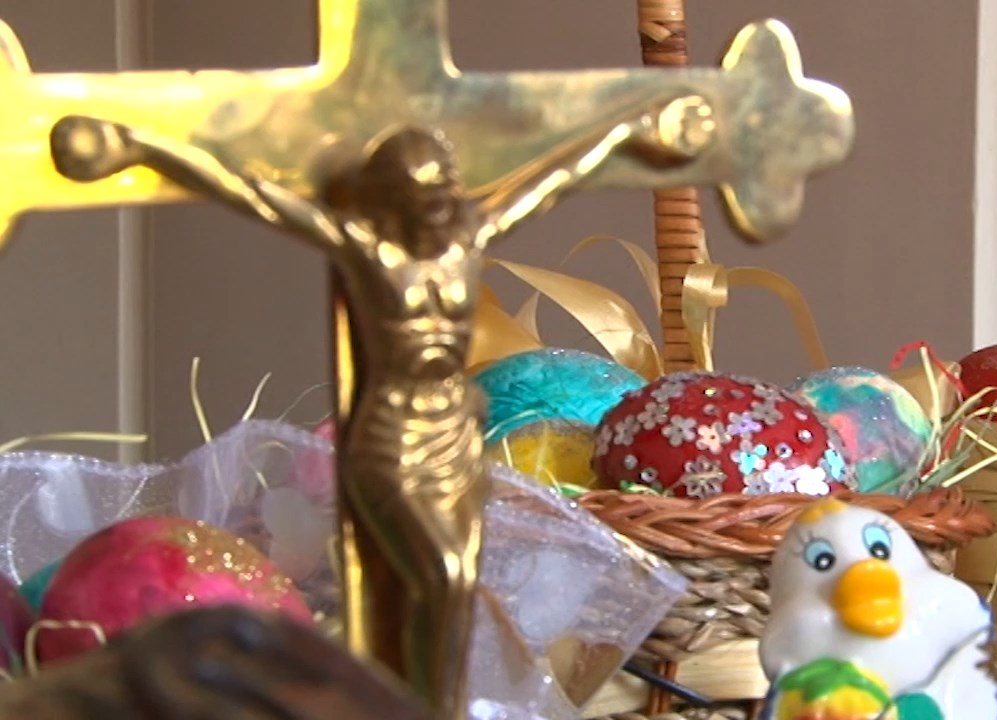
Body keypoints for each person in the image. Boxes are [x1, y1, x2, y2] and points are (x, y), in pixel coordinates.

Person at [49, 94, 713, 720]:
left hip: (456, 430)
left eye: (441, 185)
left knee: (456, 574)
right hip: (390, 429)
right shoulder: (370, 250)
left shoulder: (463, 239)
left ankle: (427, 696)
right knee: (425, 571)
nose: (434, 201)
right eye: (419, 188)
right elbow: (253, 191)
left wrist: (634, 130)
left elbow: (555, 176)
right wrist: (137, 147)